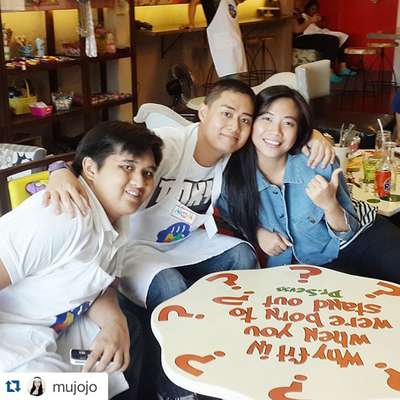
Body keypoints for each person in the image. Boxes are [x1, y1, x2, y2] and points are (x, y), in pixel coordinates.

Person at [43, 79, 334, 400]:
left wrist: (314, 136)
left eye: (245, 120)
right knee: (170, 287)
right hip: (133, 246)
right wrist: (59, 169)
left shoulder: (233, 154)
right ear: (203, 113)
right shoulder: (167, 145)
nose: (234, 127)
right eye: (226, 114)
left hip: (181, 242)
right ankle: (175, 389)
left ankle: (236, 350)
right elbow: (108, 152)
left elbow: (277, 135)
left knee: (243, 255)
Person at [0, 121, 163, 400]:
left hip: (55, 328)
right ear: (90, 168)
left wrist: (114, 323)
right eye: (127, 167)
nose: (140, 182)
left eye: (147, 173)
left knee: (127, 334)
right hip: (12, 342)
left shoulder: (117, 223)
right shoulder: (62, 216)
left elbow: (102, 284)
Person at [218, 84, 400, 283]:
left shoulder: (317, 162)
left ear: (298, 130)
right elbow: (230, 215)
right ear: (252, 122)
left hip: (360, 236)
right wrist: (257, 233)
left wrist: (330, 205)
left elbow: (349, 232)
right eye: (267, 118)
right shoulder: (233, 175)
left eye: (288, 123)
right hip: (311, 262)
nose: (275, 131)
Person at [293, 0, 355, 84]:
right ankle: (328, 72)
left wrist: (316, 21)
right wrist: (311, 21)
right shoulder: (292, 13)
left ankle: (342, 68)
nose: (303, 3)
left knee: (340, 36)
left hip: (305, 36)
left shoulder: (299, 12)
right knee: (332, 40)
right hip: (298, 39)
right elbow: (297, 30)